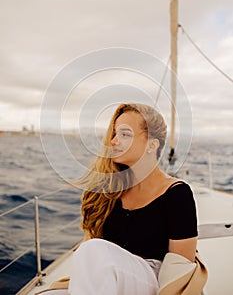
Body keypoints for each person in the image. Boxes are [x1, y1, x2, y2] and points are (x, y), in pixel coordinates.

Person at [68, 103, 199, 295]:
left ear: (152, 145)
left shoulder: (177, 194)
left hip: (154, 281)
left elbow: (181, 269)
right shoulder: (108, 191)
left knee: (92, 250)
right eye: (114, 134)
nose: (113, 141)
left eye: (125, 134)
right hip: (108, 279)